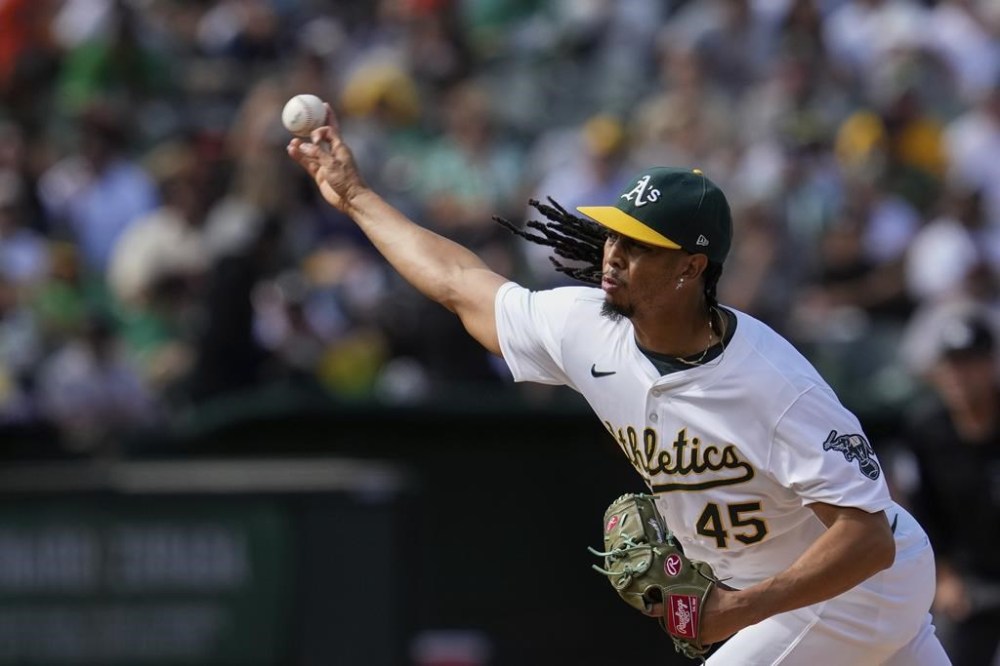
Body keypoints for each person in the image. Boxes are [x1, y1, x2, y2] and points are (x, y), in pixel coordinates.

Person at [287, 106, 950, 664]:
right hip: (798, 590)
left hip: (859, 587)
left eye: (638, 244)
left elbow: (868, 538)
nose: (612, 254)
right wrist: (356, 198)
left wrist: (739, 609)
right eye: (613, 236)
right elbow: (460, 284)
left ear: (691, 267)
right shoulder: (586, 328)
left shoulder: (770, 383)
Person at [898, 313, 1000, 665]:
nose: (959, 377)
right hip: (966, 581)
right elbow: (921, 512)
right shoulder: (926, 431)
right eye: (952, 366)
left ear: (990, 366)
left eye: (970, 365)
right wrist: (945, 576)